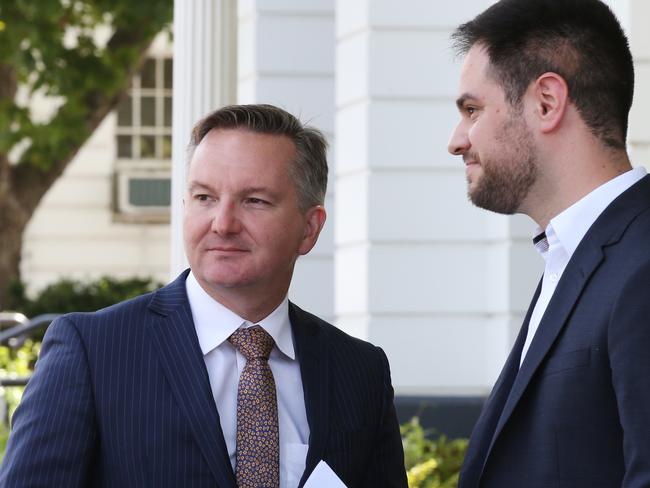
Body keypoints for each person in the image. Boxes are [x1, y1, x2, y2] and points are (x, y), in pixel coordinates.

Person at [0, 104, 407, 487]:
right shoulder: (93, 353)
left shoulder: (360, 372)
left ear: (309, 228)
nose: (223, 223)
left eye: (254, 201)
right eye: (204, 198)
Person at [447, 1, 650, 486]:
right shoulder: (572, 254)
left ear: (546, 102)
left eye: (472, 110)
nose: (457, 140)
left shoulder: (642, 264)